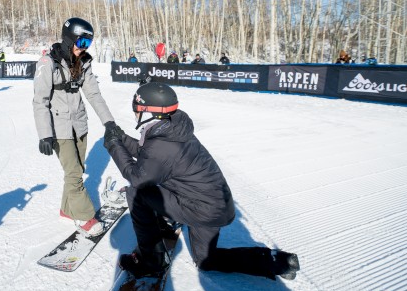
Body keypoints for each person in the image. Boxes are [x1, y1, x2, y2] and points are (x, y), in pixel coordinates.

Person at [103, 82, 300, 280]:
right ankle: (276, 261)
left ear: (148, 111)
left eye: (136, 109)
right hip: (216, 207)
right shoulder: (173, 130)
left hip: (200, 210)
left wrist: (113, 145)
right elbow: (149, 157)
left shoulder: (162, 144)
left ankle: (151, 261)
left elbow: (138, 176)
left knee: (137, 193)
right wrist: (120, 137)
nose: (135, 114)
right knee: (207, 260)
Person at [33, 17, 115, 237]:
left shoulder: (84, 63)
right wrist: (45, 134)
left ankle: (67, 210)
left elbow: (94, 95)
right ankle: (85, 216)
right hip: (59, 128)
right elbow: (39, 101)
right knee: (74, 173)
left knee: (77, 169)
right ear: (69, 40)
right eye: (81, 43)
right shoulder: (47, 63)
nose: (84, 49)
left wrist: (109, 123)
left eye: (88, 44)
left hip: (79, 124)